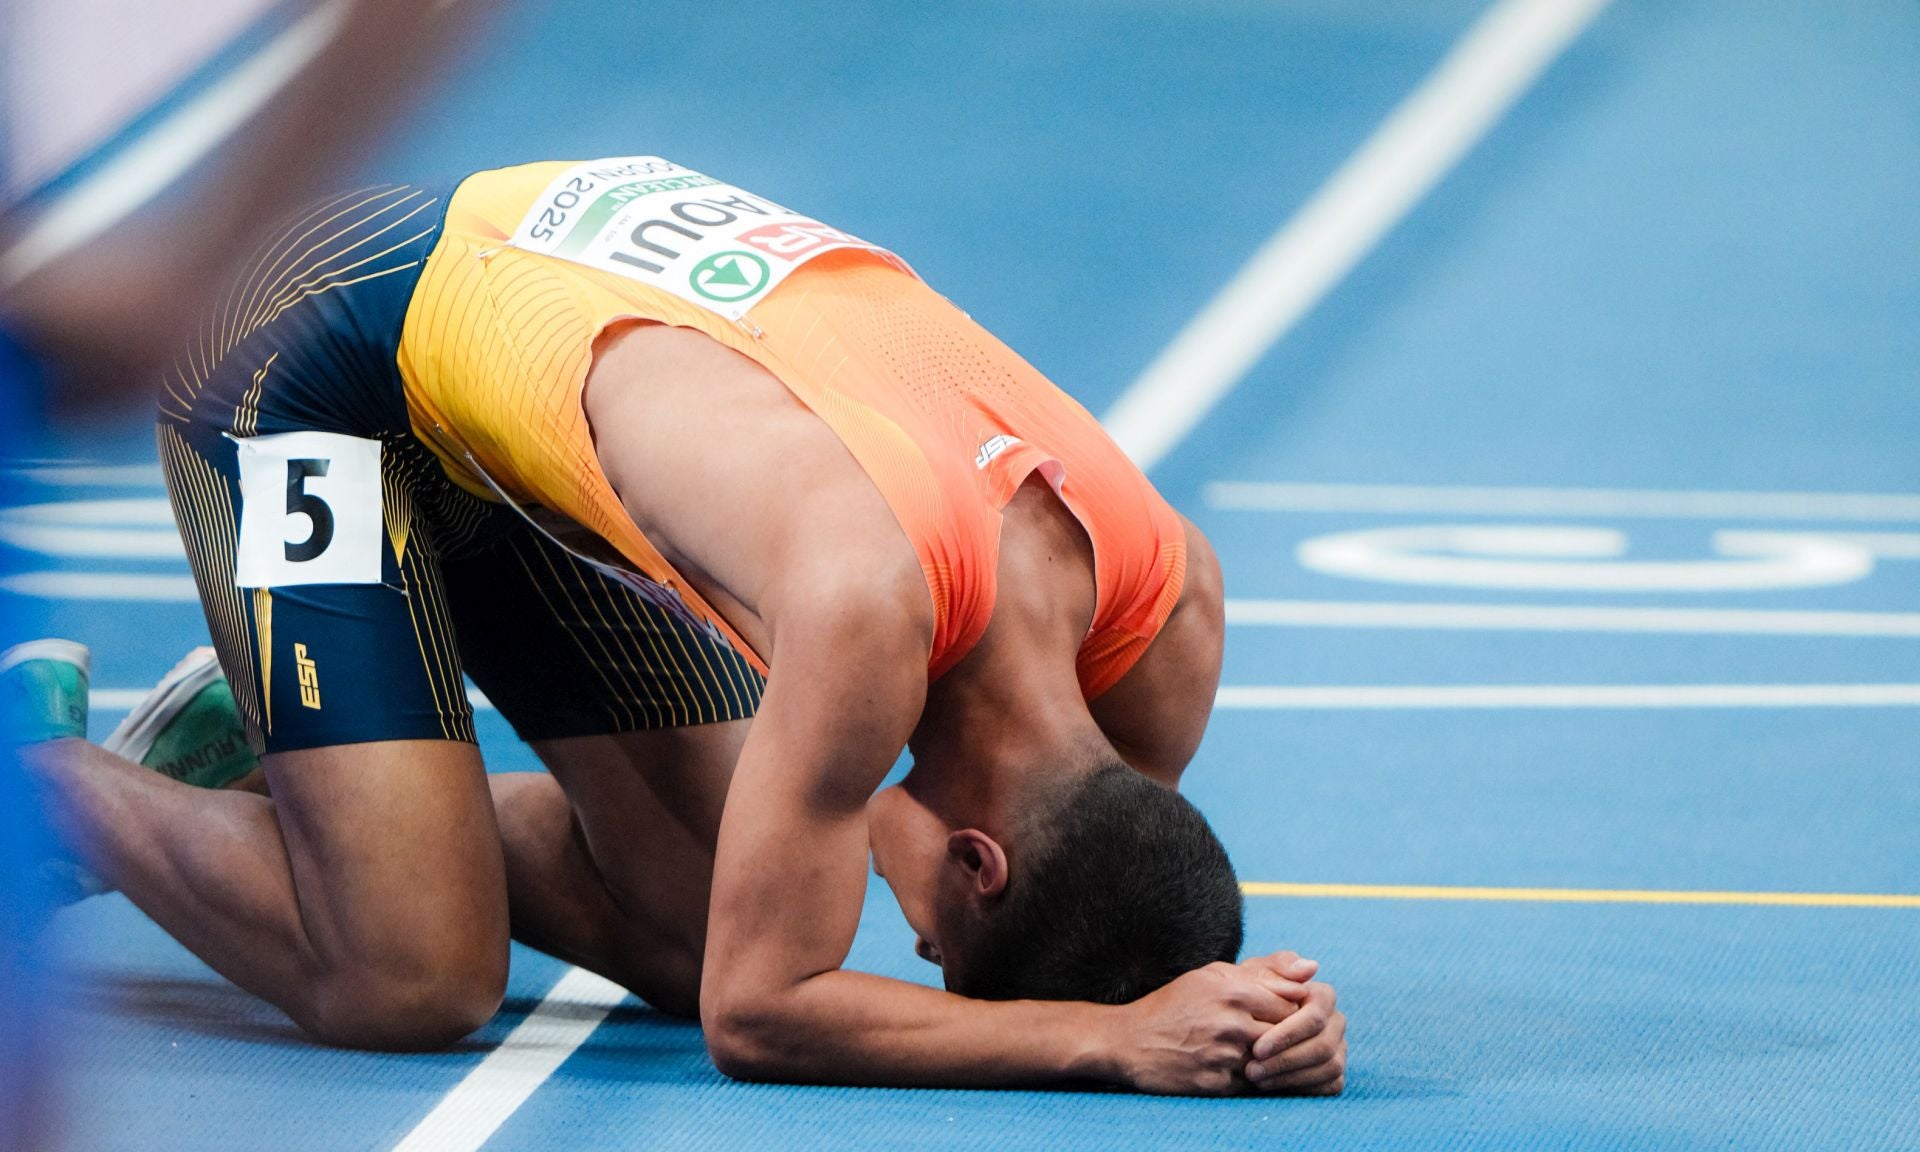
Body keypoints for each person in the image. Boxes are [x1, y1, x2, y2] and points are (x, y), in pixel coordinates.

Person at [17, 156, 1346, 1094]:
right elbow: (757, 1014)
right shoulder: (862, 600)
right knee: (410, 980)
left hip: (533, 398)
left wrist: (1234, 999)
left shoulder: (1168, 620)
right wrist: (1105, 1041)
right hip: (311, 342)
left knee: (689, 920)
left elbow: (1119, 877)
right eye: (942, 946)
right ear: (979, 860)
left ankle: (303, 778)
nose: (917, 943)